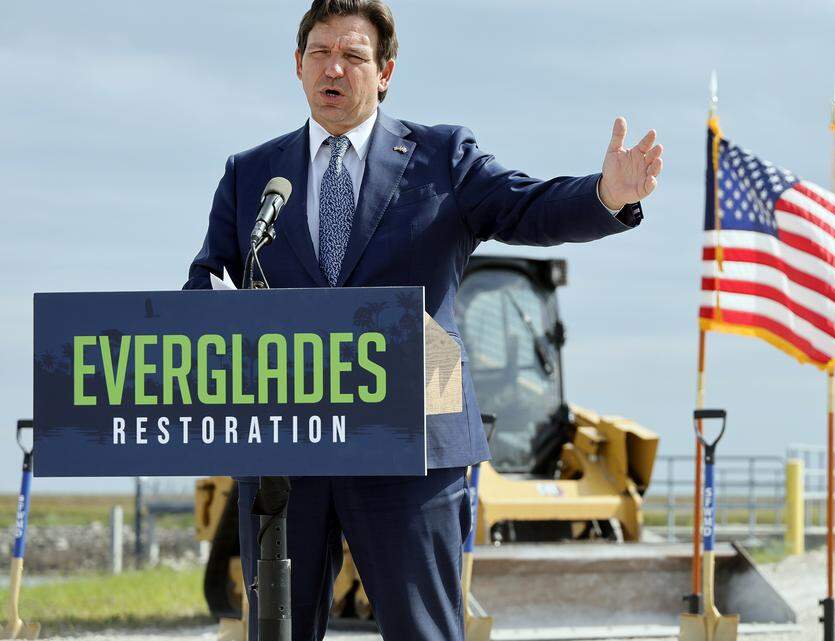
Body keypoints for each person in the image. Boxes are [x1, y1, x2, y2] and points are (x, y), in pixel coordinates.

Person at [183, 0, 663, 639]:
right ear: (297, 66)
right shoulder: (252, 175)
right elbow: (209, 278)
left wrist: (605, 196)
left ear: (385, 72)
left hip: (411, 445)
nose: (334, 69)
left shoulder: (441, 158)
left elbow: (527, 207)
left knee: (424, 631)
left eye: (353, 56)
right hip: (286, 451)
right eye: (320, 54)